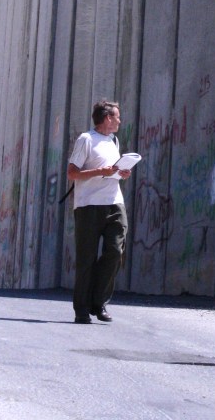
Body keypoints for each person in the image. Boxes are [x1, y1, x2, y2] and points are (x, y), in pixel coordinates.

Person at [67, 99, 131, 324]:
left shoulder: (114, 140)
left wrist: (120, 172)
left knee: (115, 251)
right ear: (107, 118)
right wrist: (99, 171)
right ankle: (82, 310)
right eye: (117, 116)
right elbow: (73, 173)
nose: (119, 121)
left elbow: (110, 170)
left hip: (115, 203)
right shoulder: (86, 140)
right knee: (86, 260)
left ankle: (99, 302)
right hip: (88, 207)